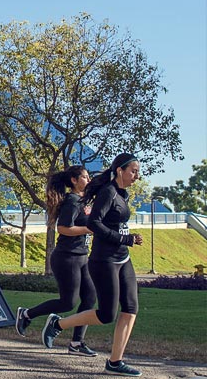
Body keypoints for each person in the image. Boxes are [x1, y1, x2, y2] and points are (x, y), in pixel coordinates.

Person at [41, 153, 144, 377]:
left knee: (130, 308)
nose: (137, 175)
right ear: (120, 170)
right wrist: (125, 238)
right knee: (107, 315)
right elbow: (95, 224)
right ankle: (59, 324)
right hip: (104, 259)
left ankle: (115, 362)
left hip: (123, 257)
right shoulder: (108, 192)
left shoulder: (121, 193)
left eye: (137, 171)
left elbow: (114, 224)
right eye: (133, 171)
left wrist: (127, 238)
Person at [15, 166, 98, 357]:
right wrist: (89, 229)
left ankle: (77, 343)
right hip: (67, 257)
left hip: (82, 256)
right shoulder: (72, 200)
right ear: (74, 181)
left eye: (88, 176)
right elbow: (63, 228)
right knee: (68, 303)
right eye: (85, 177)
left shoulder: (84, 200)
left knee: (90, 297)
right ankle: (27, 314)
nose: (88, 179)